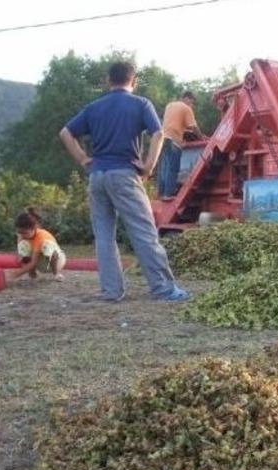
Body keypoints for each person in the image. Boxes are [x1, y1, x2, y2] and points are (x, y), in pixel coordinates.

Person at [59, 61, 190, 302]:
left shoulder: (93, 107)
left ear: (109, 80)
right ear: (134, 80)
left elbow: (65, 132)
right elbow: (159, 133)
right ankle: (163, 289)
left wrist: (83, 159)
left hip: (97, 176)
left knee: (104, 236)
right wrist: (149, 166)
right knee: (143, 232)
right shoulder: (140, 104)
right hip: (124, 174)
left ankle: (111, 292)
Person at [156, 91, 205, 198]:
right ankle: (168, 194)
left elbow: (173, 124)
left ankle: (160, 193)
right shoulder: (186, 108)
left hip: (162, 139)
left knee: (163, 167)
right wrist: (202, 137)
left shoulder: (170, 106)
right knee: (173, 167)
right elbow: (193, 127)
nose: (191, 105)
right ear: (187, 98)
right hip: (174, 140)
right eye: (191, 102)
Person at [6, 207, 66, 282]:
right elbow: (21, 254)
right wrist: (20, 257)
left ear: (33, 228)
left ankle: (56, 273)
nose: (22, 235)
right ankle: (32, 273)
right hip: (41, 264)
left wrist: (17, 273)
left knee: (46, 245)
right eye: (19, 232)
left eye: (24, 233)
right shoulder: (22, 236)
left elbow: (33, 262)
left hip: (57, 261)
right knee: (23, 245)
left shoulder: (41, 237)